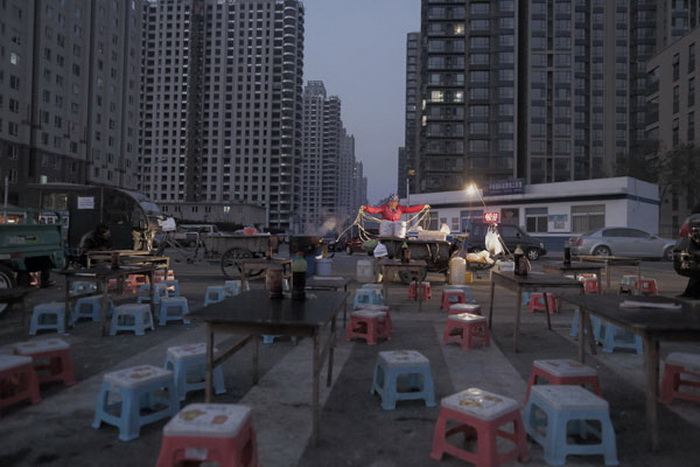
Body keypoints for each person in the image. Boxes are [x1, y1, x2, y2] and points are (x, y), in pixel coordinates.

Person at [361, 194, 430, 238]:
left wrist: (423, 206)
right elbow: (375, 210)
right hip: (386, 231)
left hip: (397, 230)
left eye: (394, 202)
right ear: (388, 202)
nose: (392, 204)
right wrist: (366, 208)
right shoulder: (384, 208)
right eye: (391, 202)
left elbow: (411, 209)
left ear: (397, 203)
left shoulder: (400, 209)